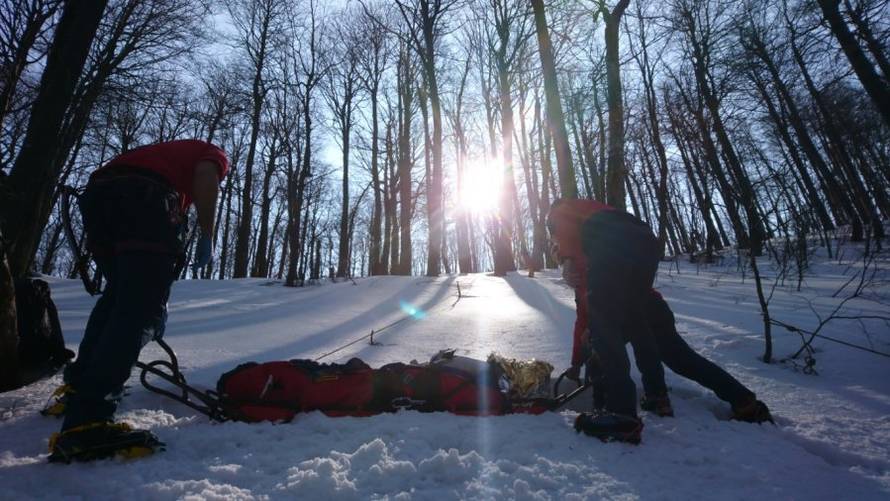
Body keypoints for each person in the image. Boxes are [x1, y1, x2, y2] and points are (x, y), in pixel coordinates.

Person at [46, 140, 228, 463]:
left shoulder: (162, 154)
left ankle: (79, 390)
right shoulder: (210, 153)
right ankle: (89, 420)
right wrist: (207, 231)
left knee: (117, 298)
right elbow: (206, 172)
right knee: (140, 308)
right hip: (144, 197)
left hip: (98, 198)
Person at [547, 198, 665, 444]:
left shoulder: (561, 216)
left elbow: (570, 241)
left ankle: (621, 414)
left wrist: (565, 254)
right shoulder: (588, 212)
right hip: (644, 242)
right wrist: (576, 363)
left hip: (615, 241)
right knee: (635, 319)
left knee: (603, 326)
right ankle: (657, 395)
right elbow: (582, 321)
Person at [580, 290, 773, 424]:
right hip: (651, 307)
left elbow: (591, 318)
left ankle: (605, 413)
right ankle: (744, 401)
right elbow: (585, 321)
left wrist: (586, 351)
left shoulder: (586, 261)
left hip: (635, 311)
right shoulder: (590, 260)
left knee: (604, 356)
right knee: (682, 360)